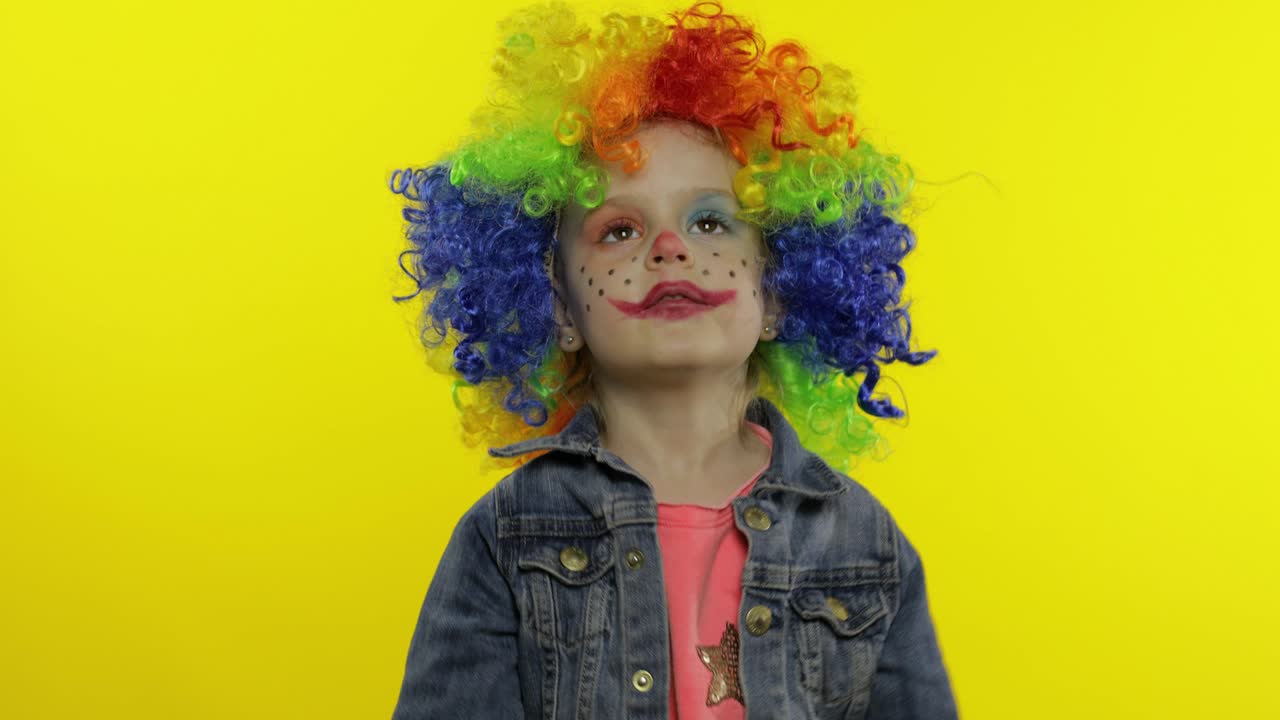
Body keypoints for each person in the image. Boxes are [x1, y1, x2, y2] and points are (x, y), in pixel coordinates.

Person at [386, 1, 956, 717]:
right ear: (559, 307)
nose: (669, 248)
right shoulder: (508, 535)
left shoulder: (863, 543)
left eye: (711, 221)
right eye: (620, 229)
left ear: (776, 289)